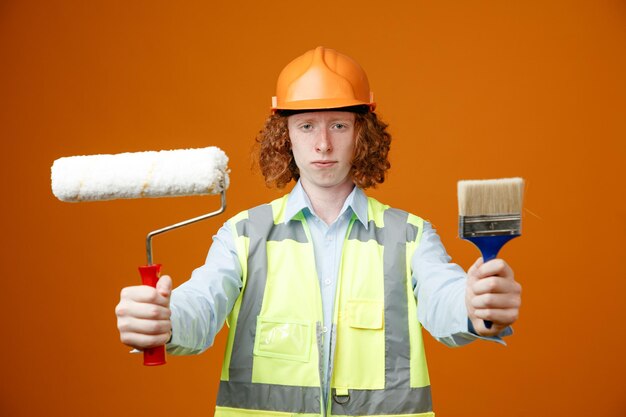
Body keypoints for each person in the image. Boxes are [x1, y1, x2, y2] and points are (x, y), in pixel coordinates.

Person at [116, 46, 522, 416]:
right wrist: (163, 320)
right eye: (307, 125)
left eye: (339, 126)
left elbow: (446, 299)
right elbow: (199, 307)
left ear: (362, 134)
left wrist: (475, 306)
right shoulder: (242, 235)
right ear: (285, 136)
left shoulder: (409, 236)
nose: (323, 144)